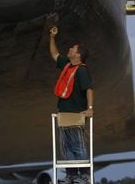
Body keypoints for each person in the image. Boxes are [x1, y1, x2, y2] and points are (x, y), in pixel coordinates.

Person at [48, 25, 94, 184]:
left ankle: (85, 176)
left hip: (76, 114)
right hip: (64, 113)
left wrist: (89, 109)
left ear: (78, 54)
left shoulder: (81, 70)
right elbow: (54, 54)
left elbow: (89, 89)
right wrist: (52, 37)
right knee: (66, 148)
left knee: (78, 146)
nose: (70, 49)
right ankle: (72, 175)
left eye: (73, 49)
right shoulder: (68, 65)